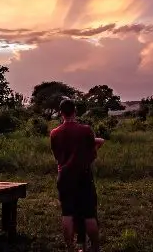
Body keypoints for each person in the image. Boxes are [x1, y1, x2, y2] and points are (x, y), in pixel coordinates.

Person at [50, 98, 105, 252]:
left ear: (61, 113)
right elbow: (92, 154)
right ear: (75, 111)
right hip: (84, 175)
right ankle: (94, 248)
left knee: (67, 213)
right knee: (89, 214)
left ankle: (70, 249)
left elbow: (57, 157)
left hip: (64, 176)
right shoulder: (86, 130)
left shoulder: (54, 133)